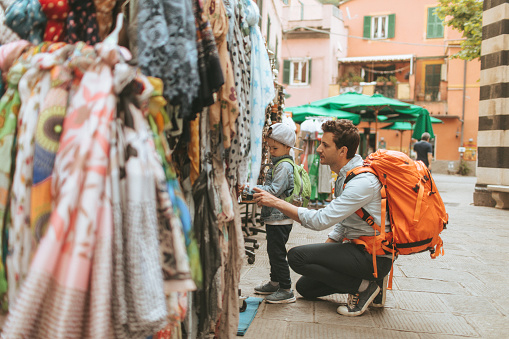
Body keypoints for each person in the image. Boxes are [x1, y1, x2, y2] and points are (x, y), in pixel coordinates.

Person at [252, 119, 393, 317]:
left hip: (372, 256)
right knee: (305, 288)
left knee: (296, 257)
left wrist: (276, 202)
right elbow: (345, 221)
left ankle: (365, 287)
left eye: (325, 145)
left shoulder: (362, 182)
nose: (318, 149)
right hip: (356, 248)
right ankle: (369, 285)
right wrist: (329, 247)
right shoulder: (346, 175)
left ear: (342, 151)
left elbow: (320, 220)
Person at [251, 122, 300, 304]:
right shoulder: (279, 163)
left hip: (280, 218)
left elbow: (274, 189)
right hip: (275, 217)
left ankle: (286, 289)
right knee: (273, 251)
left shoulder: (283, 166)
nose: (271, 151)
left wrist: (252, 189)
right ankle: (275, 282)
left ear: (287, 147)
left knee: (277, 252)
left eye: (275, 147)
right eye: (270, 147)